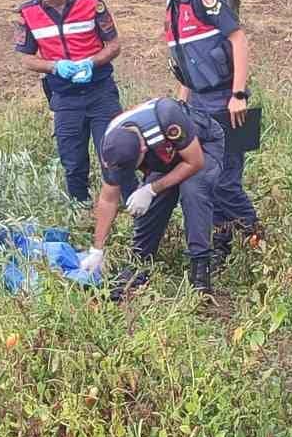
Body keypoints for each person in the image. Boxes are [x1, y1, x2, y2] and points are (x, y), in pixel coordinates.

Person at [129, 0, 258, 263]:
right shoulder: (172, 10)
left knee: (227, 181)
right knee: (207, 180)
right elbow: (187, 67)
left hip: (226, 100)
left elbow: (238, 39)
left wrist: (238, 94)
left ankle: (256, 236)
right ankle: (223, 244)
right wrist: (180, 107)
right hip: (198, 104)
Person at [15, 0, 135, 204]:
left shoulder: (92, 4)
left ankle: (134, 208)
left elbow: (114, 45)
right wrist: (54, 66)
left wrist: (92, 62)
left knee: (114, 155)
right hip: (64, 97)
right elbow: (25, 59)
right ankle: (79, 212)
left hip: (100, 92)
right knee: (73, 162)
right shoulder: (27, 13)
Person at [79, 96, 226, 295]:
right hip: (164, 156)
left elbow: (194, 163)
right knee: (152, 203)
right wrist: (97, 249)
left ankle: (200, 269)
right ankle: (139, 265)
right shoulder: (113, 146)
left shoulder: (167, 117)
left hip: (202, 146)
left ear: (142, 149)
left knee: (193, 190)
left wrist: (151, 189)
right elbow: (108, 198)